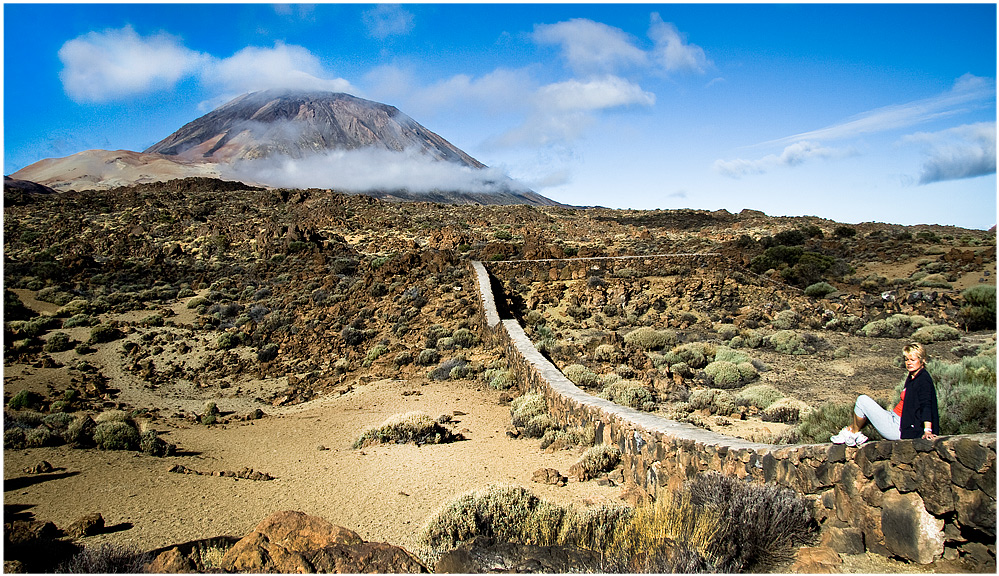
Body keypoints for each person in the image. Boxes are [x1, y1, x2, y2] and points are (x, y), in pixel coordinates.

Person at [831, 342, 940, 446]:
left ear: (922, 360)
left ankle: (853, 433)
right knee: (862, 404)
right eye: (906, 360)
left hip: (900, 427)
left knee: (862, 401)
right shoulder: (913, 377)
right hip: (894, 417)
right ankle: (851, 432)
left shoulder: (923, 379)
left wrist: (928, 430)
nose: (909, 363)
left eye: (912, 359)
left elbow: (926, 404)